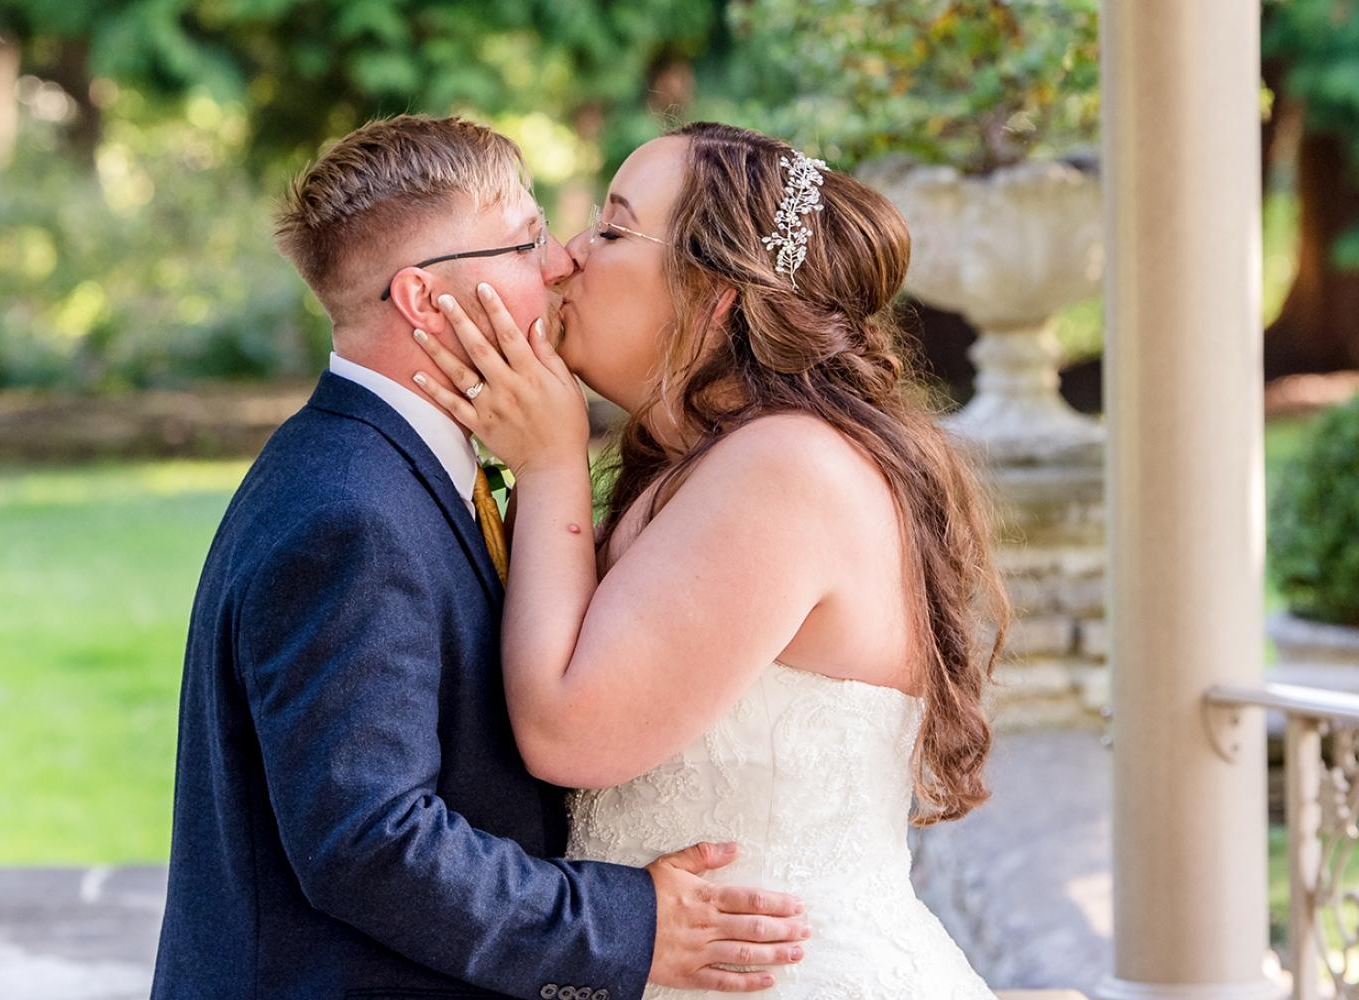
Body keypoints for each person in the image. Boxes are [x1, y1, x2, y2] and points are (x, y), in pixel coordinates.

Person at [150, 115, 811, 1000]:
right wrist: (623, 927)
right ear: (426, 300)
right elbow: (371, 842)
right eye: (524, 240)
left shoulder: (390, 468)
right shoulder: (350, 514)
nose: (560, 260)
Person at [409, 122, 1009, 998]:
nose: (569, 256)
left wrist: (548, 465)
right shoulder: (702, 466)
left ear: (718, 295)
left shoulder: (786, 469)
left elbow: (569, 729)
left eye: (613, 230)